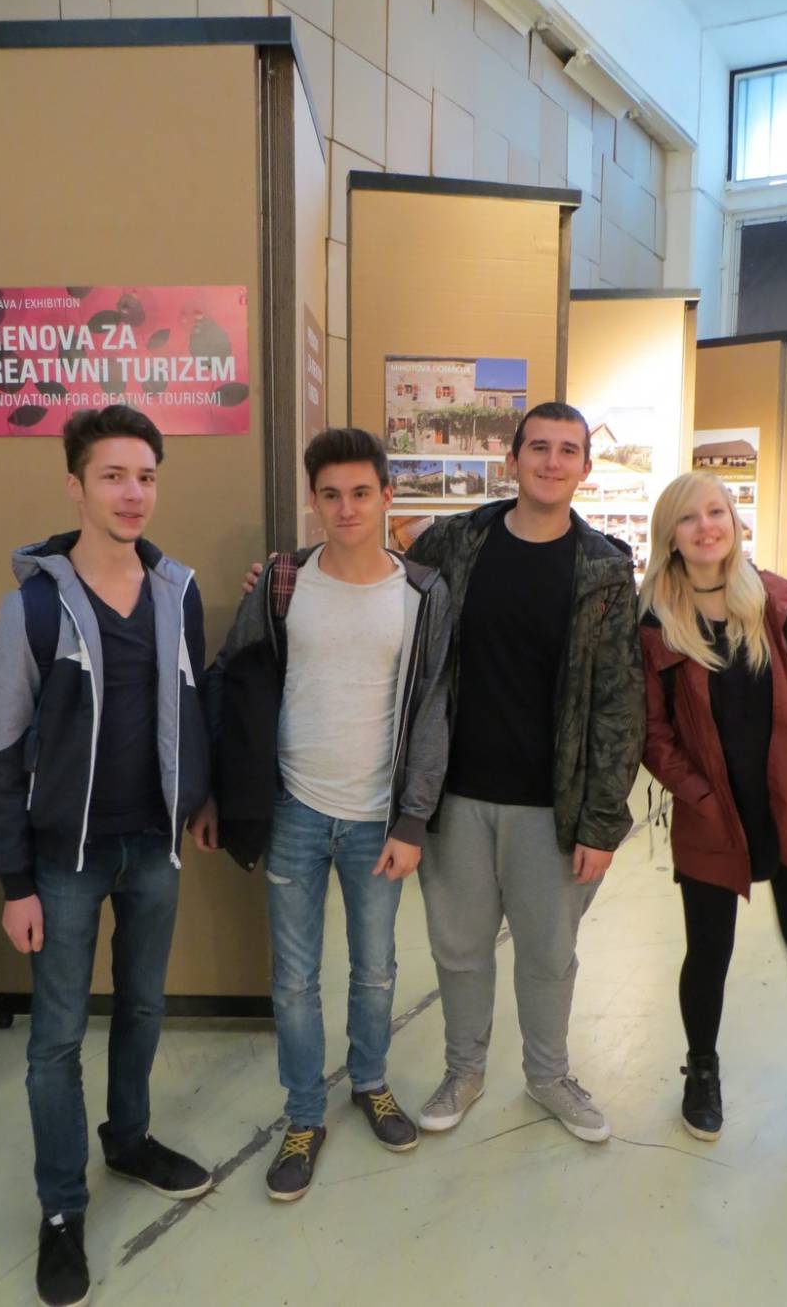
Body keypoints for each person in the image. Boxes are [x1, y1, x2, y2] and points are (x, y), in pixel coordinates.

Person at [0, 405, 213, 1307]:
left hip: (152, 845)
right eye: (113, 475)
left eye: (146, 476)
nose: (132, 493)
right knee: (56, 1039)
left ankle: (130, 1137)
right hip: (63, 862)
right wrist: (14, 882)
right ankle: (61, 1209)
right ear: (75, 484)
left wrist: (197, 799)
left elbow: (190, 705)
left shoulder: (177, 593)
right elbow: (0, 754)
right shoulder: (33, 607)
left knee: (144, 1005)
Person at [195, 427, 451, 1202]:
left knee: (375, 969)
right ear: (313, 499)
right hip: (294, 810)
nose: (346, 508)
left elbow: (435, 708)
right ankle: (305, 1113)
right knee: (294, 979)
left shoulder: (422, 593)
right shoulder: (283, 582)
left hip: (377, 818)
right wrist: (217, 792)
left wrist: (412, 820)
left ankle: (369, 1080)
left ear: (387, 495)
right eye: (331, 494)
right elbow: (232, 681)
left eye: (361, 492)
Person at [405, 401, 643, 1142]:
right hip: (457, 796)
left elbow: (619, 701)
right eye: (538, 447)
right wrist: (283, 574)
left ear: (585, 467)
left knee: (547, 954)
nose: (551, 461)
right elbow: (373, 581)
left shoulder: (604, 569)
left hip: (552, 805)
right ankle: (464, 1070)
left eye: (567, 450)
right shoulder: (457, 540)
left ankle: (548, 1076)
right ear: (512, 459)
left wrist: (602, 821)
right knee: (459, 948)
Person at [638, 470, 787, 1141]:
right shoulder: (656, 623)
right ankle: (702, 1070)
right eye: (689, 517)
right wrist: (700, 795)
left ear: (734, 522)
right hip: (711, 815)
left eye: (716, 511)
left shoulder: (774, 600)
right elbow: (653, 733)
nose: (706, 526)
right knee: (708, 952)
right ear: (671, 535)